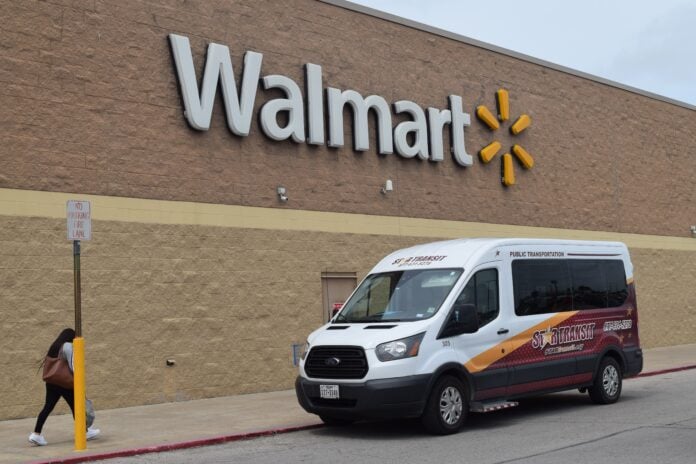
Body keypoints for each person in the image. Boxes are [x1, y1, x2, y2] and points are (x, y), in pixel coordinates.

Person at [29, 328, 100, 446]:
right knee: (76, 406)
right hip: (64, 382)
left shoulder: (54, 346)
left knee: (48, 407)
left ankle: (36, 434)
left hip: (51, 382)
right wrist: (79, 380)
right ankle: (84, 432)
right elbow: (74, 365)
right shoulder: (67, 346)